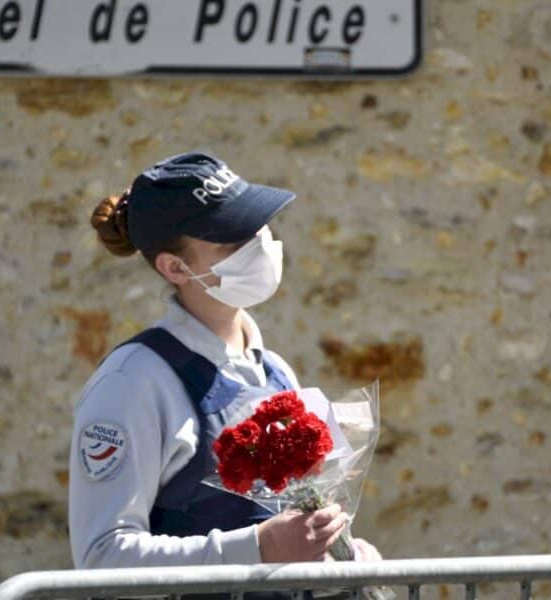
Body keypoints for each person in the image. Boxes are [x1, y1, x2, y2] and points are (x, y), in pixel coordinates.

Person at [69, 151, 381, 571]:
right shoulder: (133, 381)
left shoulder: (275, 371)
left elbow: (289, 527)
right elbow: (101, 555)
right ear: (175, 268)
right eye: (232, 240)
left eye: (256, 227)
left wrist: (342, 555)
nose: (259, 245)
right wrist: (256, 549)